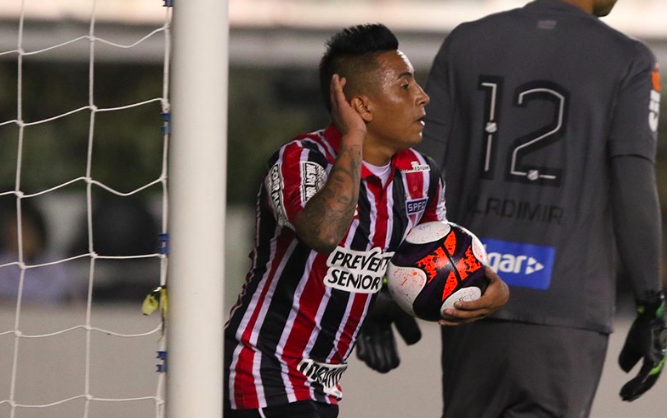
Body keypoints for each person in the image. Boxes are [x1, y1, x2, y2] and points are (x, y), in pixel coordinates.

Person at [223, 23, 510, 418]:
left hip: (324, 384)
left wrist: (488, 290)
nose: (422, 96)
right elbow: (323, 233)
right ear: (362, 107)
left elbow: (433, 259)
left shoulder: (422, 176)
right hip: (261, 370)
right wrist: (353, 138)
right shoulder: (300, 159)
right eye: (405, 86)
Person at [414, 1, 667, 417]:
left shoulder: (466, 41)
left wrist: (389, 274)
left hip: (472, 291)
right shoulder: (629, 59)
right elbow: (633, 184)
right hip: (565, 305)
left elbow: (422, 171)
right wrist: (650, 304)